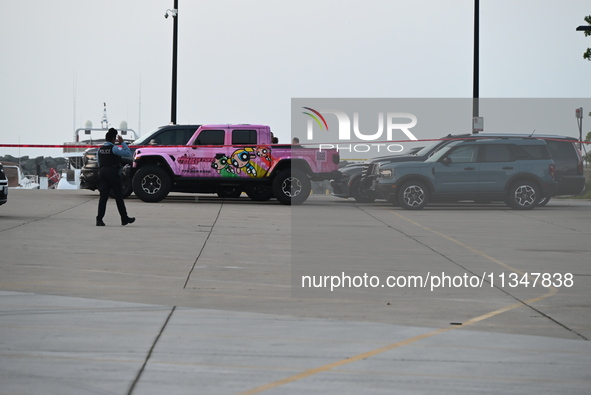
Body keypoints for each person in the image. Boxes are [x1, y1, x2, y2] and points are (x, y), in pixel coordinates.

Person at [96, 128, 135, 226]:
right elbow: (128, 153)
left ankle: (99, 219)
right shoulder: (114, 148)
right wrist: (123, 143)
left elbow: (98, 162)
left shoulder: (100, 149)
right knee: (119, 196)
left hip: (102, 172)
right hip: (113, 173)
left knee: (103, 197)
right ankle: (124, 218)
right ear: (114, 139)